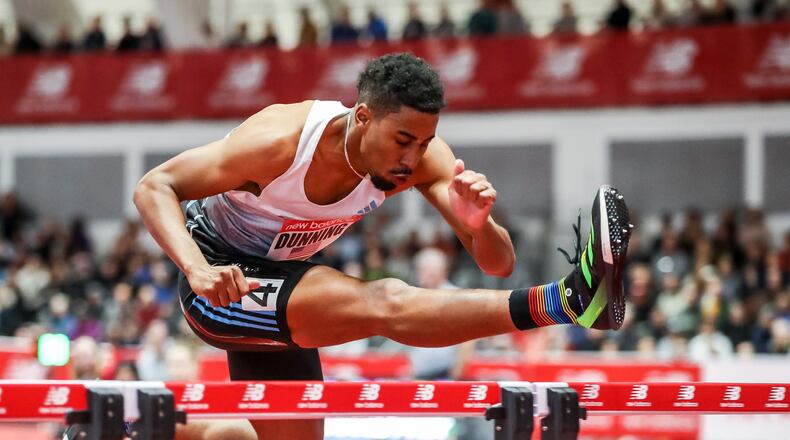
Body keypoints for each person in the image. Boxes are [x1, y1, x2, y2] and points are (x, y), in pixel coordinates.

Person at [135, 52, 632, 440]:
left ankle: (135, 429)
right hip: (222, 283)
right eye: (402, 140)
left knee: (238, 435)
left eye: (425, 141)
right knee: (384, 300)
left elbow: (497, 264)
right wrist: (198, 269)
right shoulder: (279, 143)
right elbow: (154, 186)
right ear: (363, 117)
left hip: (283, 285)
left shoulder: (422, 158)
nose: (412, 157)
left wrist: (479, 226)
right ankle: (567, 300)